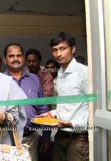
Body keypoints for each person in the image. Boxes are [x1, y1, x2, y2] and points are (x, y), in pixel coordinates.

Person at [38, 32, 89, 161]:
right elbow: (67, 105)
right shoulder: (60, 72)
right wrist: (51, 114)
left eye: (62, 49)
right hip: (61, 136)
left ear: (73, 49)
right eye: (55, 50)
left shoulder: (84, 72)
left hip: (78, 139)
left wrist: (73, 124)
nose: (58, 54)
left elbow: (94, 108)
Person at [3, 43, 50, 161]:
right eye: (11, 56)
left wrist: (46, 136)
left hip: (30, 138)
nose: (15, 59)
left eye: (18, 55)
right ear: (5, 60)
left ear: (23, 59)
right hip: (5, 139)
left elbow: (43, 108)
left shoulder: (34, 79)